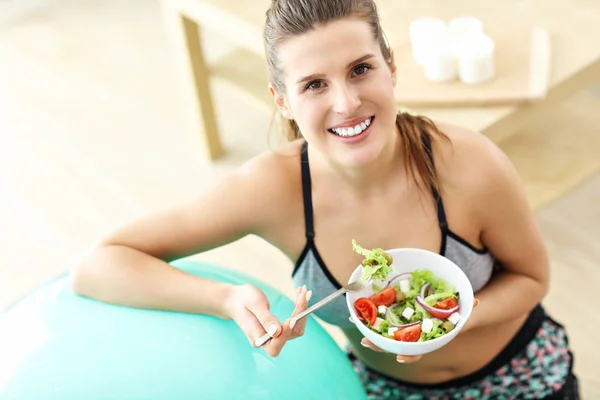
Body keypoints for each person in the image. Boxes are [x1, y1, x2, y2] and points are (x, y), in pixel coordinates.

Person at [70, 0, 579, 398]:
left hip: (521, 375)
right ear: (283, 100)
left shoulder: (471, 164)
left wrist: (456, 317)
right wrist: (228, 300)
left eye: (360, 69)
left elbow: (532, 278)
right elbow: (99, 266)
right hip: (379, 391)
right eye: (314, 84)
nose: (346, 102)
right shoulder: (271, 188)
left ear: (391, 67)